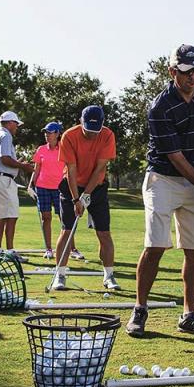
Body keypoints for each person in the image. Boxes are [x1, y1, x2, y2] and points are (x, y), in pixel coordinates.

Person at [127, 44, 194, 338]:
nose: (192, 77)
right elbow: (176, 157)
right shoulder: (160, 107)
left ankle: (189, 315)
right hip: (162, 179)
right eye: (186, 72)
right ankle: (140, 309)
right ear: (172, 72)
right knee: (156, 246)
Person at [51, 105, 118, 290]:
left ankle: (109, 276)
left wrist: (86, 195)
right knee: (67, 231)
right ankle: (60, 275)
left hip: (96, 187)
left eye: (95, 130)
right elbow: (71, 170)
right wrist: (76, 199)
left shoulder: (107, 135)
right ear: (81, 121)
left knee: (104, 233)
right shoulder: (69, 136)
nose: (92, 134)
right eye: (88, 129)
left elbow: (100, 169)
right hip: (71, 186)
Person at [0, 110, 34, 251]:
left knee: (1, 216)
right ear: (9, 123)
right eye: (16, 124)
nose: (17, 127)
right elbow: (5, 158)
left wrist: (18, 163)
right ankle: (9, 251)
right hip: (4, 181)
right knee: (11, 216)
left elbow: (4, 160)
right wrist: (23, 166)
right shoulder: (6, 136)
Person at [27, 121, 67, 258]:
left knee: (65, 219)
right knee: (46, 217)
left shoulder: (64, 148)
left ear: (57, 134)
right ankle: (48, 249)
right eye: (45, 132)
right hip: (42, 187)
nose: (46, 135)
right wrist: (30, 184)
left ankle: (71, 248)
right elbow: (37, 169)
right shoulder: (41, 150)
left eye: (49, 132)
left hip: (60, 188)